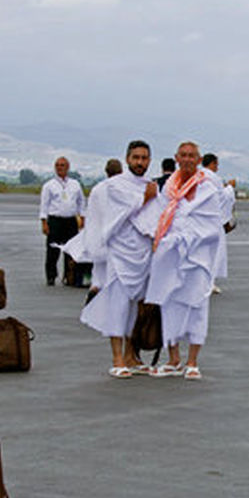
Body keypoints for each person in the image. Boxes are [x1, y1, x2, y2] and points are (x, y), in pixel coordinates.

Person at [135, 142, 225, 380]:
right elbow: (161, 217)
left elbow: (212, 227)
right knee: (169, 304)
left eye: (191, 156)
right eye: (182, 156)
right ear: (176, 158)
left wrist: (185, 238)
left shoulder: (207, 189)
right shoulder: (169, 189)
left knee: (196, 306)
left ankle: (192, 360)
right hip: (170, 255)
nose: (186, 160)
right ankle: (174, 358)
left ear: (198, 159)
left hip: (196, 258)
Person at [79, 140, 158, 377]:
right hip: (120, 255)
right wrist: (144, 198)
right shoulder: (114, 187)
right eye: (136, 157)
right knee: (118, 306)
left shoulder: (151, 187)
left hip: (143, 255)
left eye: (144, 158)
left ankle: (131, 357)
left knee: (136, 309)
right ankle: (117, 359)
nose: (140, 162)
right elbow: (116, 217)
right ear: (127, 159)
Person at [39, 156, 85, 286]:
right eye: (58, 165)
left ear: (68, 167)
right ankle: (51, 276)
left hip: (70, 221)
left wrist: (82, 217)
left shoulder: (75, 184)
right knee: (52, 250)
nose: (60, 167)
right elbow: (44, 205)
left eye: (62, 165)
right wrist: (44, 222)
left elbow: (81, 201)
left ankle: (68, 275)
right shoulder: (49, 185)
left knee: (70, 250)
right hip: (55, 220)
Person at [201, 153, 236, 295]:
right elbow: (222, 198)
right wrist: (230, 188)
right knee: (213, 254)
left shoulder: (197, 175)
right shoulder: (213, 178)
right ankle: (209, 283)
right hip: (213, 222)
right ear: (213, 164)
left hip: (199, 222)